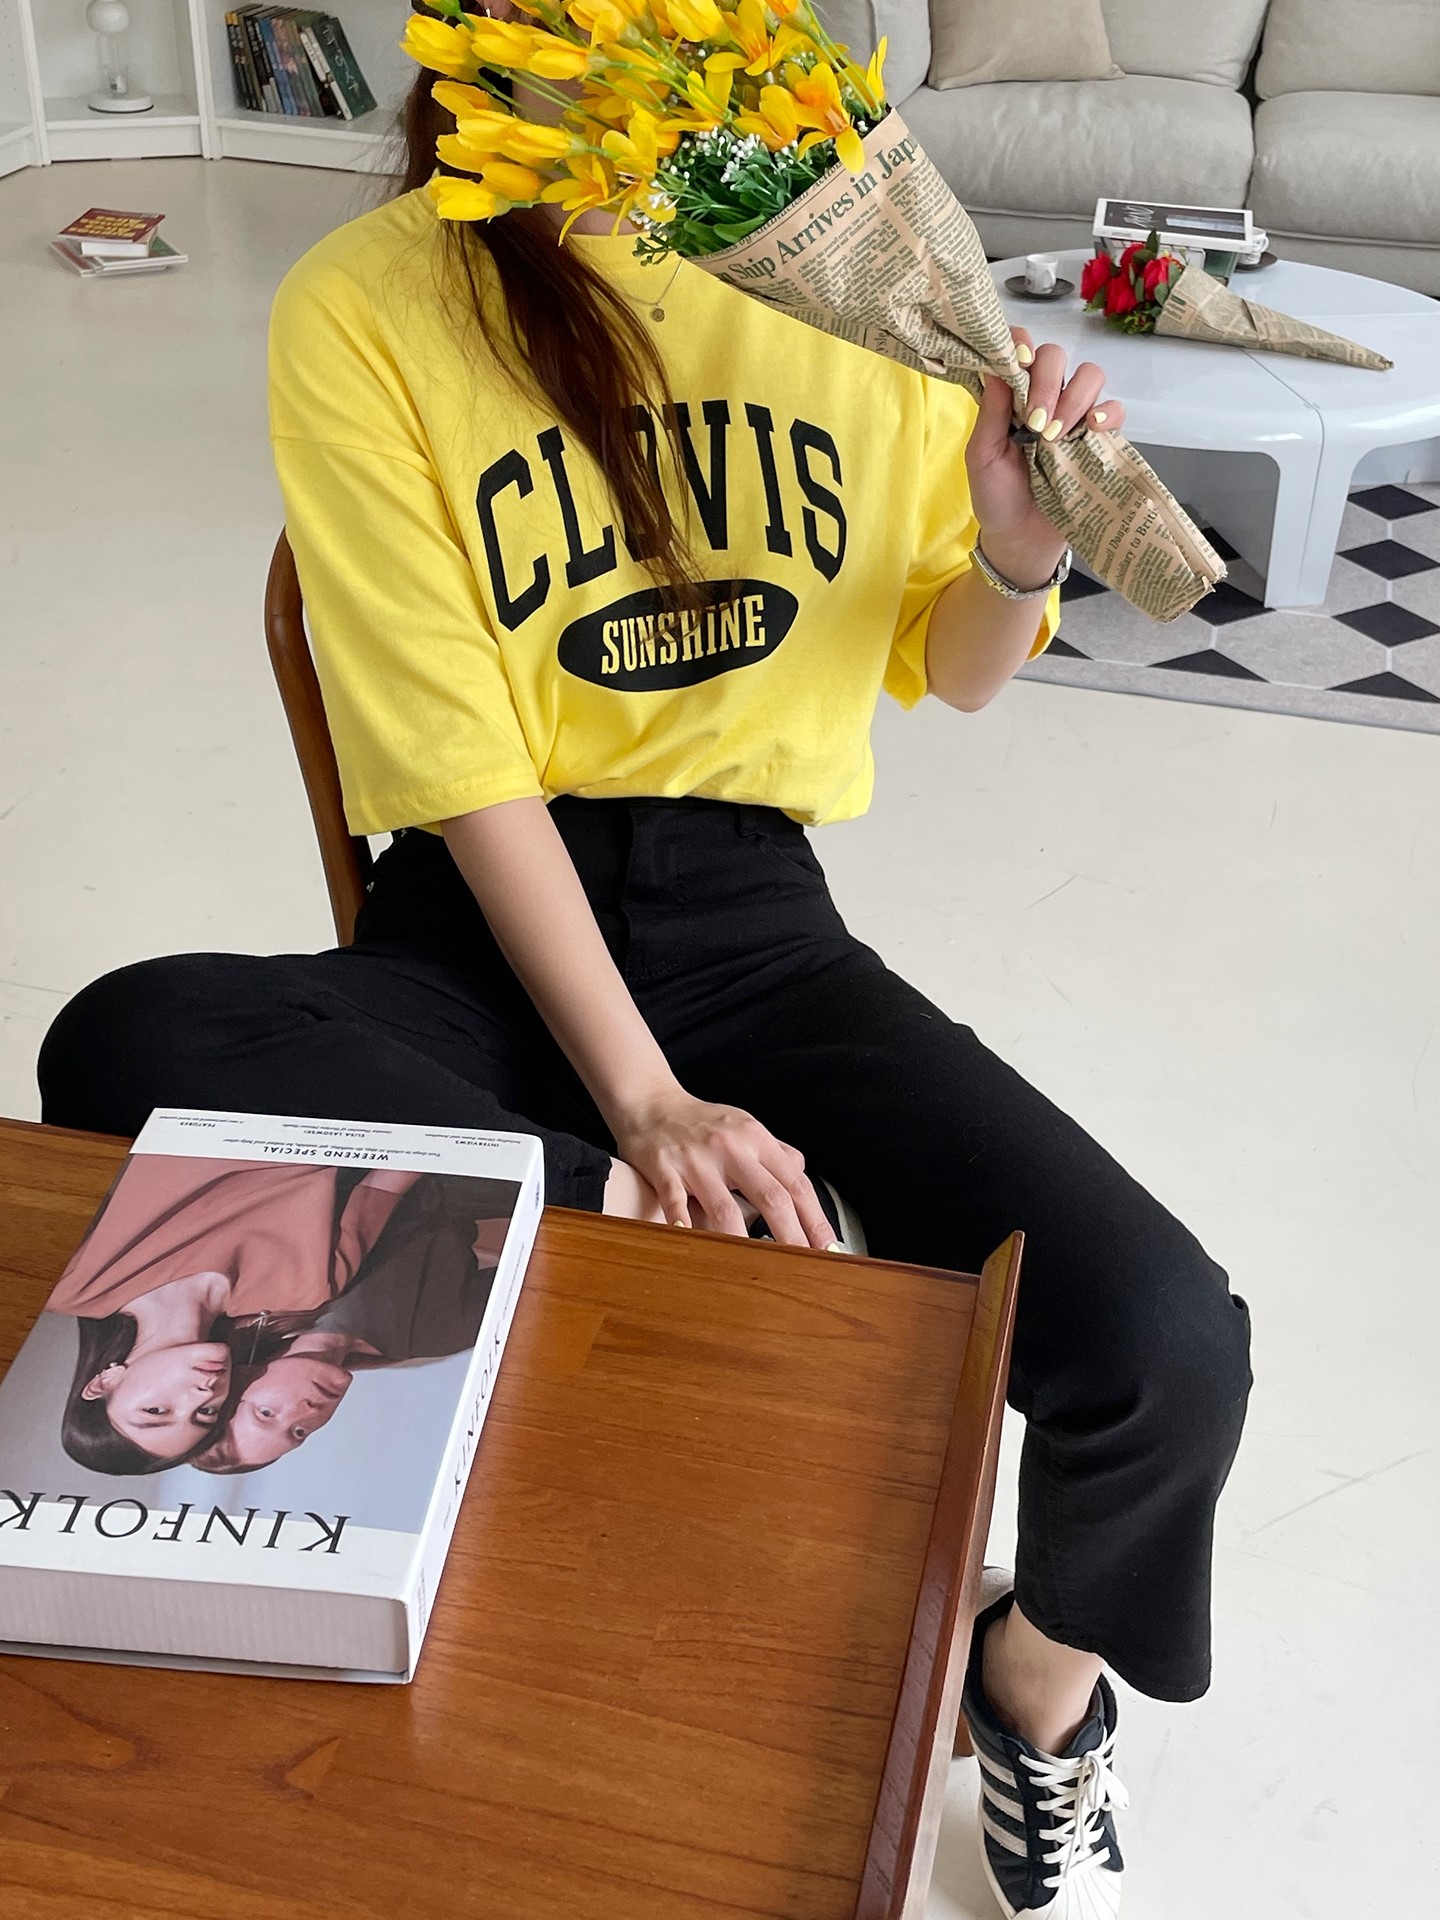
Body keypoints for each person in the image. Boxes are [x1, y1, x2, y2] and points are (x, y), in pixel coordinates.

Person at [36, 11, 1251, 1913]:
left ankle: (1030, 1697)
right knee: (127, 1034)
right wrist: (642, 1119)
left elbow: (951, 670)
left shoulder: (843, 263)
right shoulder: (373, 300)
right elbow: (459, 769)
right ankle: (616, 1218)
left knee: (1169, 1342)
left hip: (761, 929)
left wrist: (1019, 553)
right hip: (480, 920)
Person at [48, 1157, 420, 1472]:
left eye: (156, 1409)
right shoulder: (306, 1289)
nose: (202, 1394)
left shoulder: (72, 1285)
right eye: (206, 1413)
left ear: (105, 1382)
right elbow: (404, 1164)